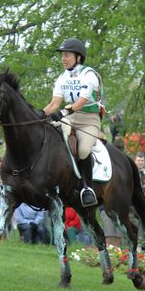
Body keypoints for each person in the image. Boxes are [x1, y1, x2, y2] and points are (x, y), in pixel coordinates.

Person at [42, 37, 104, 207]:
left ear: (78, 57)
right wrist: (39, 113)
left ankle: (87, 189)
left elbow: (81, 102)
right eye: (62, 55)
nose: (63, 58)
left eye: (67, 55)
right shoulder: (62, 77)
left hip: (88, 119)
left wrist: (63, 112)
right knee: (52, 138)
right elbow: (54, 103)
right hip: (69, 117)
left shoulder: (89, 75)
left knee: (83, 150)